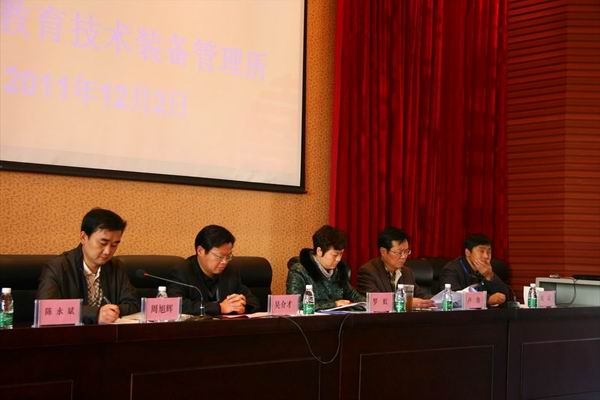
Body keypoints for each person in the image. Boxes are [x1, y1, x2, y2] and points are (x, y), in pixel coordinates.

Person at [37, 208, 139, 324]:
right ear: (83, 237)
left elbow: (133, 304)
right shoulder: (57, 267)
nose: (108, 251)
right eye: (103, 243)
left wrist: (111, 312)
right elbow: (46, 309)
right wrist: (95, 314)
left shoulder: (116, 266)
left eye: (114, 245)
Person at [168, 225, 259, 316]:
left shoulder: (230, 270)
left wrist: (242, 306)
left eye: (228, 256)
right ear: (200, 251)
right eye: (219, 256)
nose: (224, 262)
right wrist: (219, 308)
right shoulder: (182, 271)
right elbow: (176, 305)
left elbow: (253, 302)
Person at [286, 225, 365, 310]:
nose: (338, 259)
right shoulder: (299, 271)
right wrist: (334, 304)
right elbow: (295, 304)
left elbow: (354, 295)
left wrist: (368, 303)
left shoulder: (339, 271)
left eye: (341, 254)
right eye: (335, 255)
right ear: (319, 251)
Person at [356, 227, 434, 308]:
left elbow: (421, 296)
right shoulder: (368, 272)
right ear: (383, 252)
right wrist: (406, 302)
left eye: (406, 251)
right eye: (399, 252)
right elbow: (374, 301)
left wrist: (437, 299)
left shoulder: (407, 272)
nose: (404, 256)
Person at [439, 233, 511, 306]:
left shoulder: (491, 268)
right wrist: (487, 300)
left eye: (489, 252)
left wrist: (489, 276)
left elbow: (507, 297)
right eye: (481, 251)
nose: (486, 256)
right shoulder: (451, 270)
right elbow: (453, 299)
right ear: (468, 252)